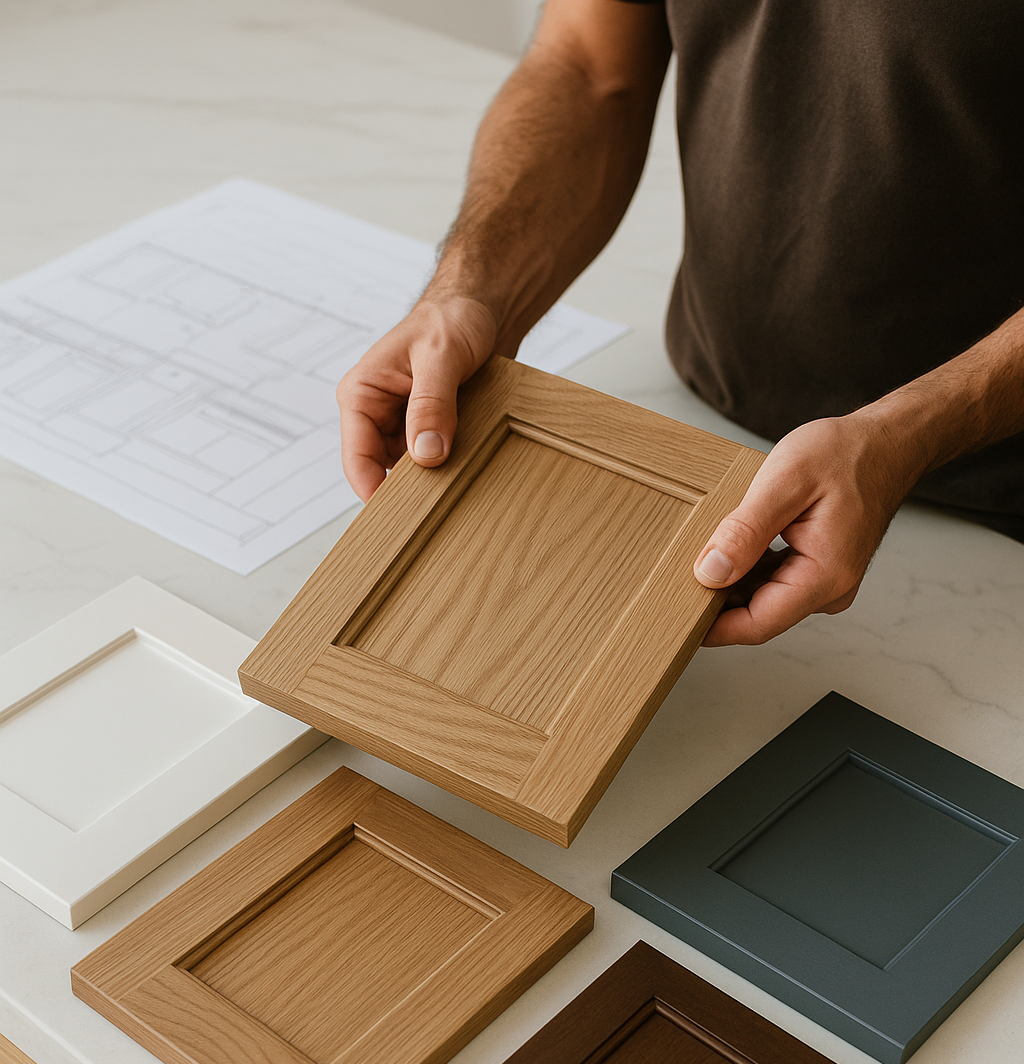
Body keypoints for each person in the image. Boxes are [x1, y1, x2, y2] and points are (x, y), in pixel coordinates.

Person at [336, 0, 1024, 646]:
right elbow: (587, 65)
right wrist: (474, 293)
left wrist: (907, 434)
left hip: (995, 508)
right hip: (710, 409)